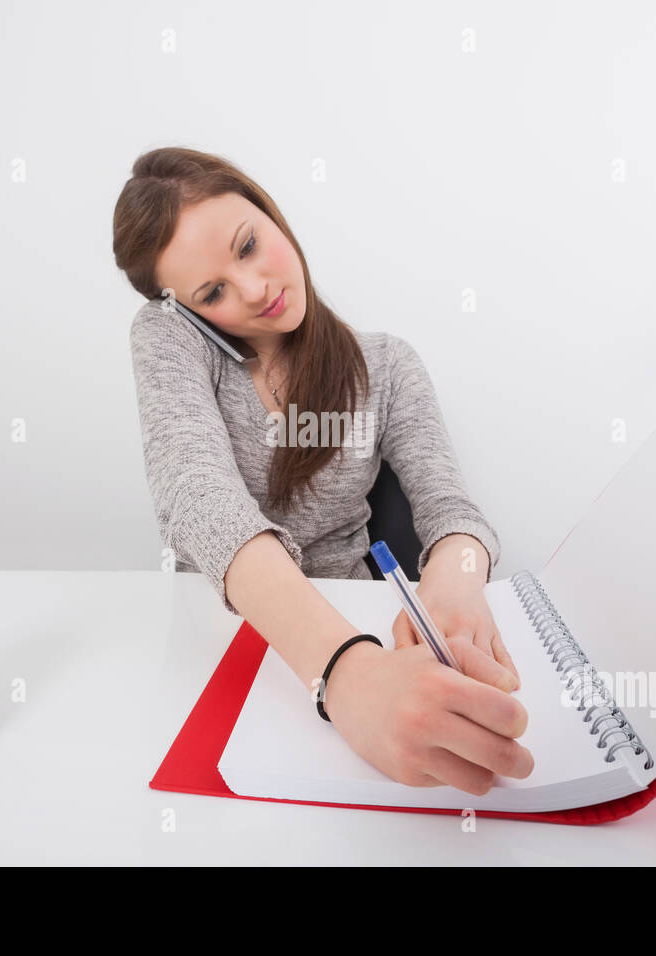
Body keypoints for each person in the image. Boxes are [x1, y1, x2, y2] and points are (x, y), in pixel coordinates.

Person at [114, 146, 532, 796]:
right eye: (213, 292)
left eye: (249, 245)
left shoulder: (387, 365)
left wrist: (454, 581)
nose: (254, 289)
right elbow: (197, 501)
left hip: (365, 631)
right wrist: (346, 675)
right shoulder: (168, 339)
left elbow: (453, 512)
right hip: (229, 642)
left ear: (270, 213)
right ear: (186, 309)